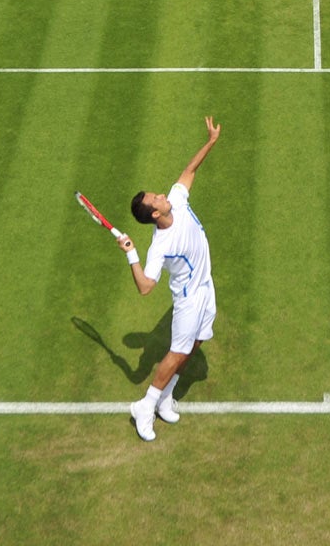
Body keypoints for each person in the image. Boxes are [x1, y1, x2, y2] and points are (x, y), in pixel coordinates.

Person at [113, 116, 222, 442]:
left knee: (197, 342)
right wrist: (132, 254)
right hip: (188, 299)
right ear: (155, 214)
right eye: (156, 199)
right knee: (177, 352)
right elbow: (146, 287)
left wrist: (211, 141)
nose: (162, 194)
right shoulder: (160, 246)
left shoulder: (178, 200)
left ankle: (166, 396)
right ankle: (144, 407)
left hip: (207, 287)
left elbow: (188, 172)